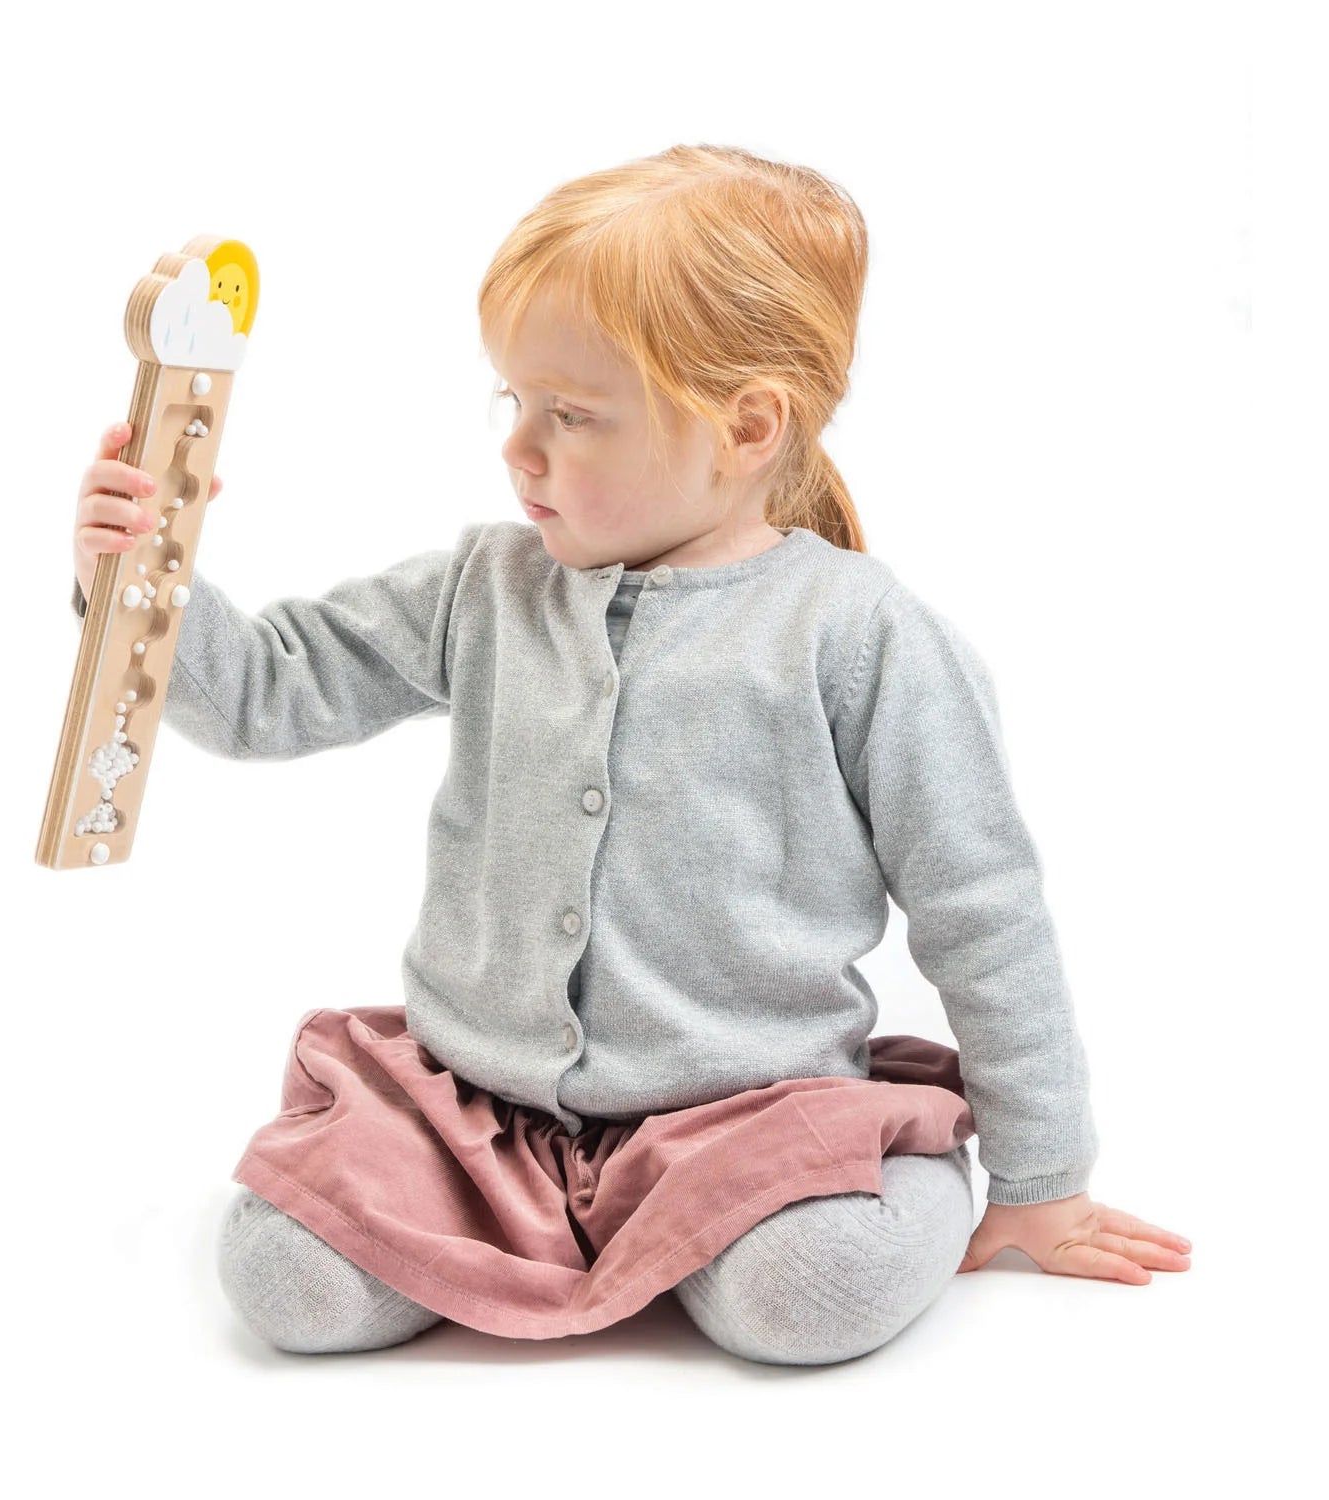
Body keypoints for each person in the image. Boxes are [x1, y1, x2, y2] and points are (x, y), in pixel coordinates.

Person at [70, 144, 1191, 1364]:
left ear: (747, 426)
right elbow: (268, 696)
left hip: (750, 1116)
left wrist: (1043, 1173)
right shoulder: (485, 587)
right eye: (514, 404)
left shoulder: (862, 634)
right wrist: (138, 581)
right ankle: (542, 1223)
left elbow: (984, 908)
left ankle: (900, 1165)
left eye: (574, 415)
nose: (521, 449)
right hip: (476, 1114)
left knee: (807, 1298)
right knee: (283, 1281)